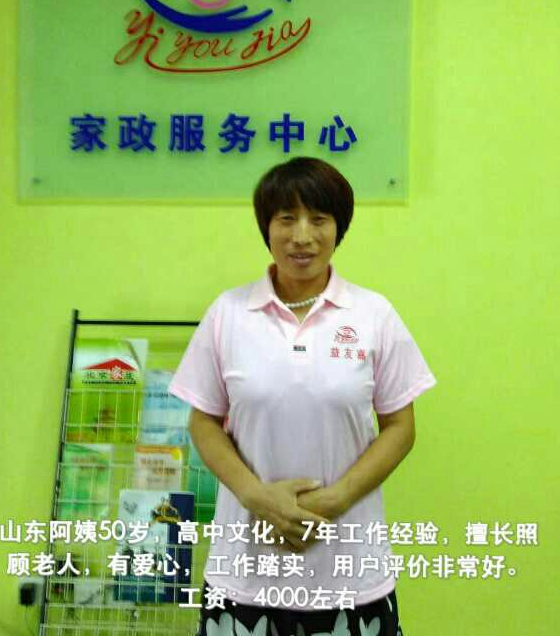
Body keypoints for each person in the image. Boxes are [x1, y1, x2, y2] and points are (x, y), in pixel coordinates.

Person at [168, 157, 436, 636]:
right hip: (245, 576)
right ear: (266, 227)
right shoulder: (228, 313)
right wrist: (257, 498)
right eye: (286, 219)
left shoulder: (374, 314)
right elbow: (203, 421)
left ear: (339, 228)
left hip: (351, 574)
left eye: (319, 219)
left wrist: (336, 498)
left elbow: (400, 427)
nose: (302, 236)